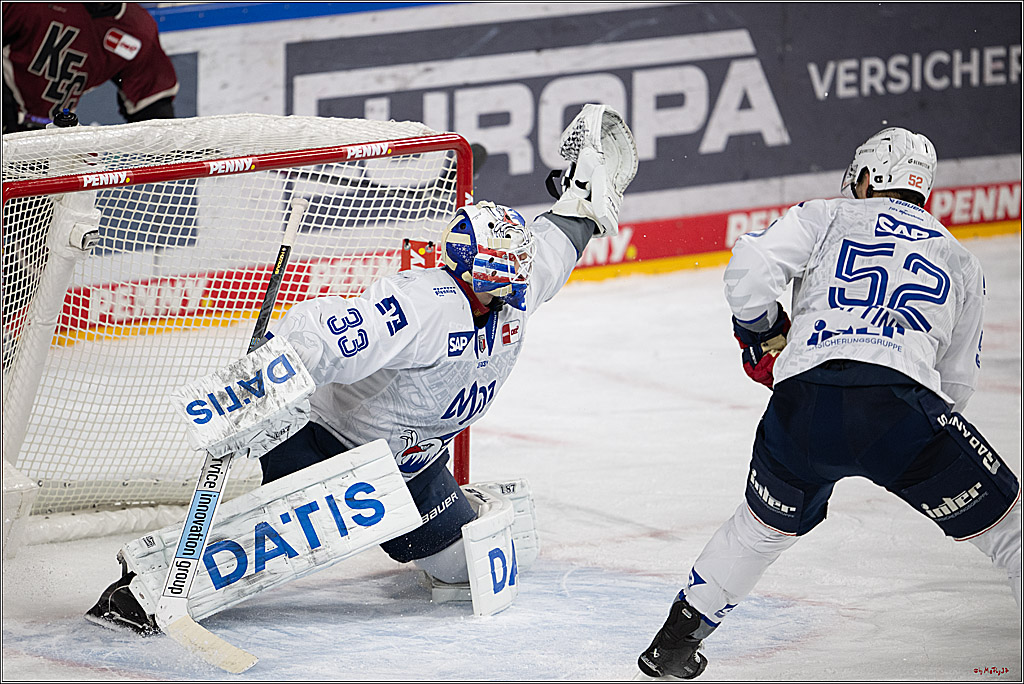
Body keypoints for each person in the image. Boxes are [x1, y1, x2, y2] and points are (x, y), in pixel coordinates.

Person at [84, 104, 639, 634]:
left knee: (465, 569)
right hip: (327, 443)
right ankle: (142, 591)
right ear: (468, 269)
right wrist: (253, 391)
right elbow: (320, 335)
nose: (510, 287)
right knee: (281, 535)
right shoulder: (421, 305)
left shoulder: (520, 285)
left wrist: (584, 191)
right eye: (497, 277)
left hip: (410, 460)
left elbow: (562, 236)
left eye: (514, 275)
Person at [637, 127, 1022, 679]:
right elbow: (956, 386)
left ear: (867, 178)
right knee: (1012, 536)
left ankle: (672, 647)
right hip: (902, 411)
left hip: (803, 407)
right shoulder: (961, 261)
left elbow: (747, 272)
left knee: (759, 530)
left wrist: (763, 332)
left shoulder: (828, 214)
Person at [2, 3, 178, 134]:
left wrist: (170, 145)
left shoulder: (136, 28)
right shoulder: (28, 6)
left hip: (52, 135)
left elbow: (152, 106)